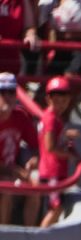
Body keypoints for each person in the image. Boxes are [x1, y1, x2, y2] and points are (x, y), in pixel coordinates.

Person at [37, 76, 77, 228]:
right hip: (51, 172)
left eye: (64, 101)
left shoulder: (54, 118)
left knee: (54, 208)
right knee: (56, 208)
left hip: (53, 171)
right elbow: (50, 147)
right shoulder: (51, 119)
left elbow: (54, 138)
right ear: (49, 99)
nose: (61, 105)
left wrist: (66, 135)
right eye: (57, 101)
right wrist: (71, 156)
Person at [0, 72, 37, 226]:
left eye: (11, 92)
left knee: (36, 181)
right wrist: (11, 170)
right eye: (2, 92)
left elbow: (36, 146)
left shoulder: (20, 116)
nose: (7, 96)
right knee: (7, 188)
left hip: (11, 170)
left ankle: (31, 234)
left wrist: (32, 161)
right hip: (5, 172)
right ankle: (4, 235)